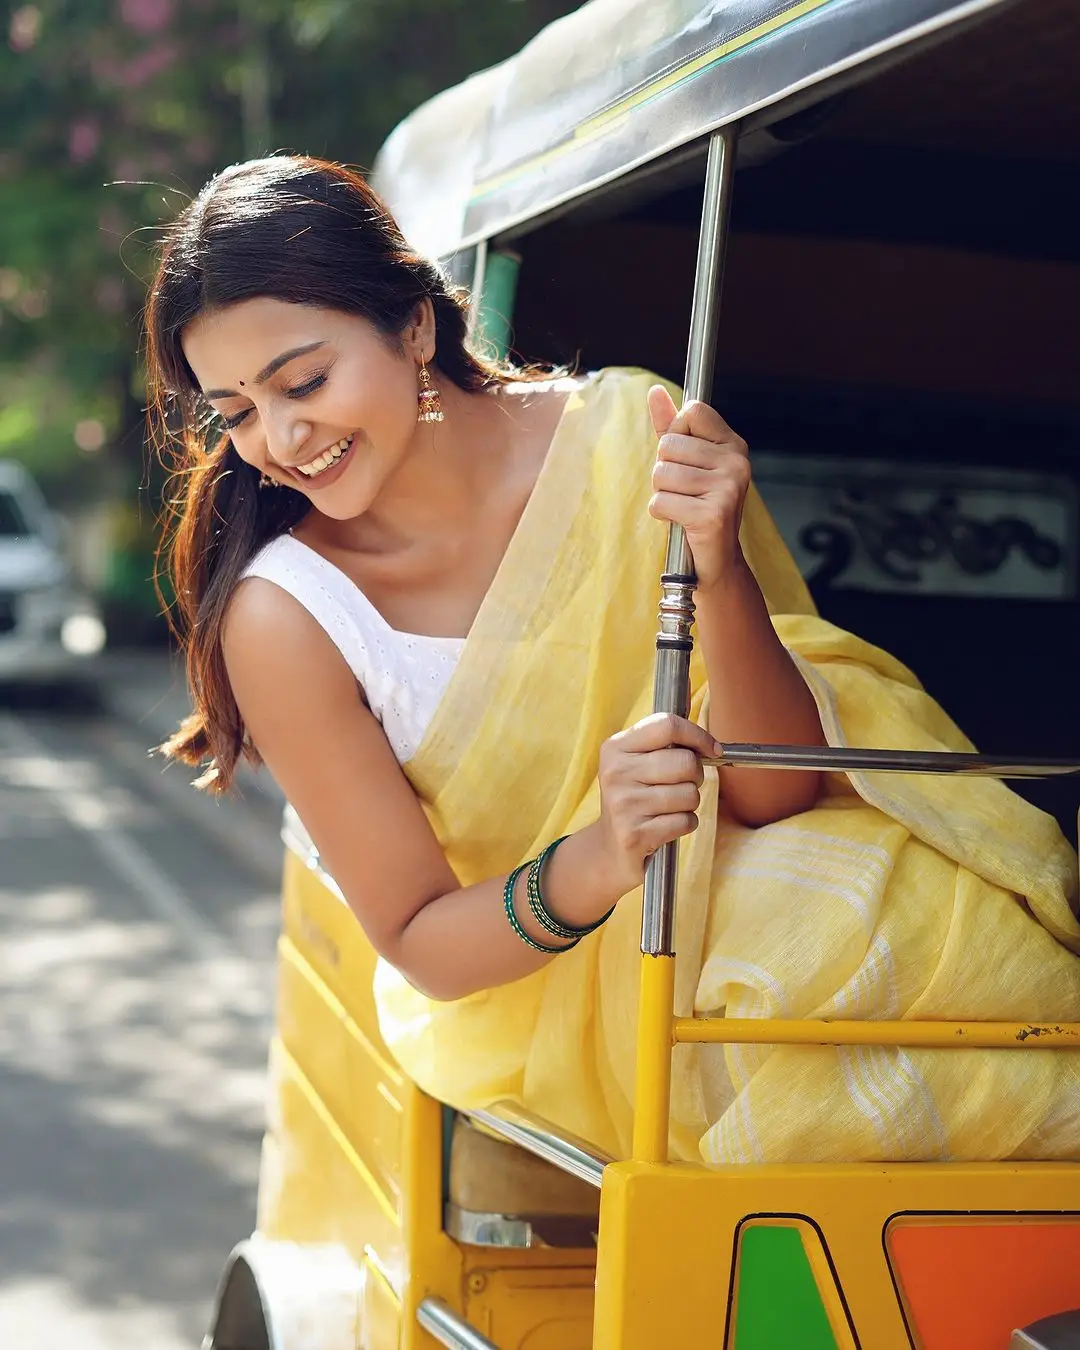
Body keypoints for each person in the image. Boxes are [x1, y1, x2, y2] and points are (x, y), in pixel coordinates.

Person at [148, 155, 1080, 1166]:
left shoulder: (631, 437)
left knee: (880, 903)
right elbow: (421, 941)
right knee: (797, 951)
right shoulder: (286, 617)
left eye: (304, 382)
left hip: (770, 891)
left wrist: (720, 572)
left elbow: (779, 794)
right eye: (234, 413)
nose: (280, 438)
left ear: (414, 323)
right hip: (546, 1005)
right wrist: (599, 859)